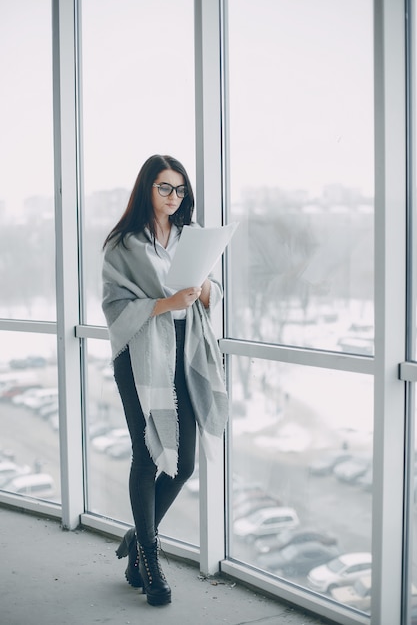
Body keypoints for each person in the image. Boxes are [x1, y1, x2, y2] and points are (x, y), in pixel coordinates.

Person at [101, 154, 228, 606]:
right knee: (147, 457)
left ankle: (136, 538)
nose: (173, 197)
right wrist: (167, 301)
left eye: (179, 190)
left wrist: (204, 290)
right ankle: (150, 559)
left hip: (184, 353)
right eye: (164, 188)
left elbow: (212, 292)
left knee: (185, 462)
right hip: (140, 357)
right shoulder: (123, 244)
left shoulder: (190, 237)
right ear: (146, 189)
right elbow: (115, 309)